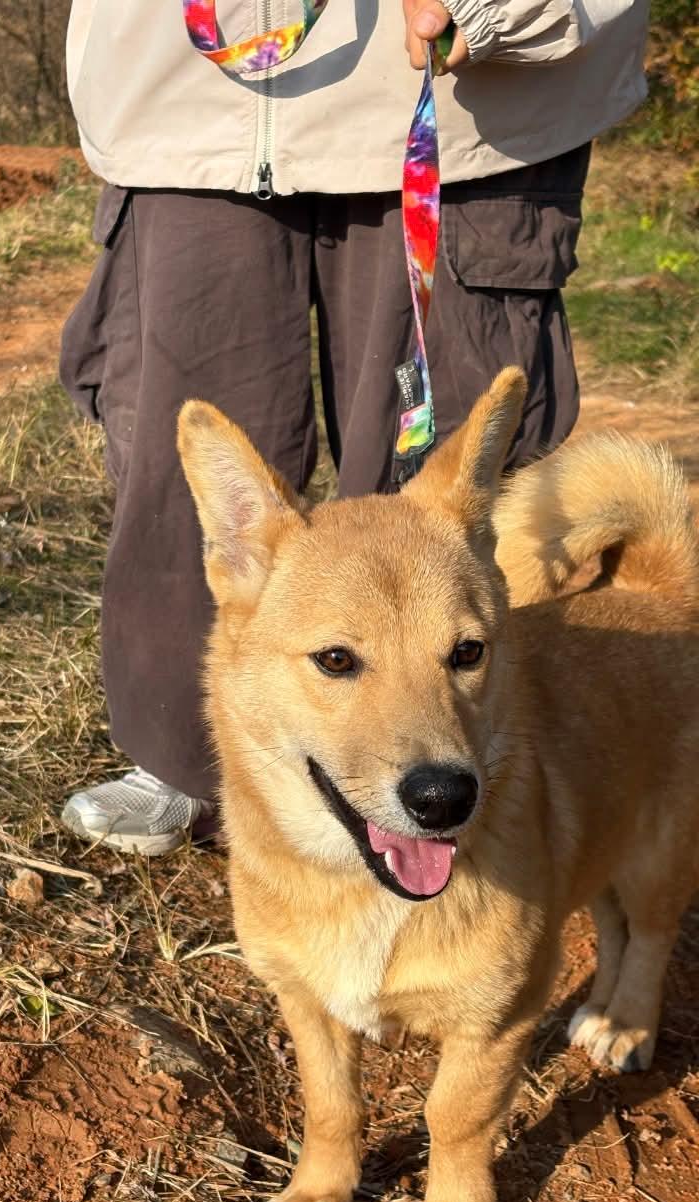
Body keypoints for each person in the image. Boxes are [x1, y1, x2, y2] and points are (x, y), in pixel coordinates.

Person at [58, 0, 650, 855]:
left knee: (456, 502)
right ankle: (186, 759)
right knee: (200, 489)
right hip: (187, 109)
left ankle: (473, 769)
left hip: (461, 110)